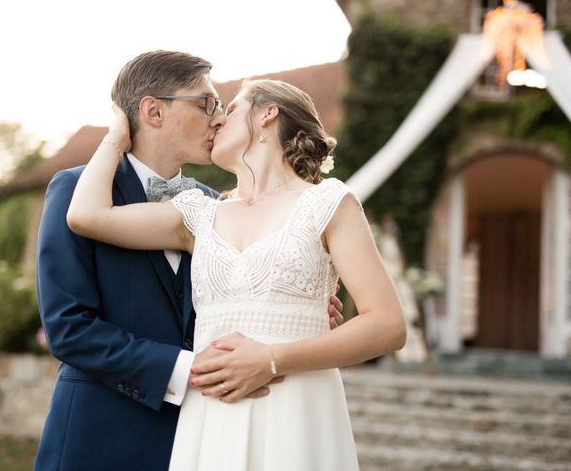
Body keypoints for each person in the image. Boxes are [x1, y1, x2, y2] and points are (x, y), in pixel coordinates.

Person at [67, 72, 407, 469]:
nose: (216, 121)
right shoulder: (198, 214)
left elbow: (387, 324)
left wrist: (272, 359)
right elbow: (87, 215)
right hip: (213, 419)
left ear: (267, 115)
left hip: (296, 411)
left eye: (229, 109)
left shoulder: (328, 203)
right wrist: (116, 136)